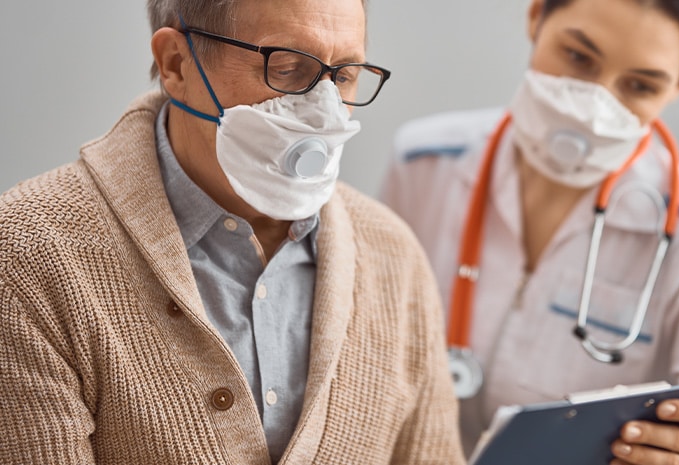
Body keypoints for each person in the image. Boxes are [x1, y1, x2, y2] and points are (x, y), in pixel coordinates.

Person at [0, 0, 465, 464]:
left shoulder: (392, 255)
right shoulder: (30, 253)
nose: (324, 110)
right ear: (176, 64)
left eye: (342, 76)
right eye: (286, 67)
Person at [381, 0, 679, 464]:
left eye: (640, 86)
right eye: (579, 58)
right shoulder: (423, 164)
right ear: (536, 15)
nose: (594, 108)